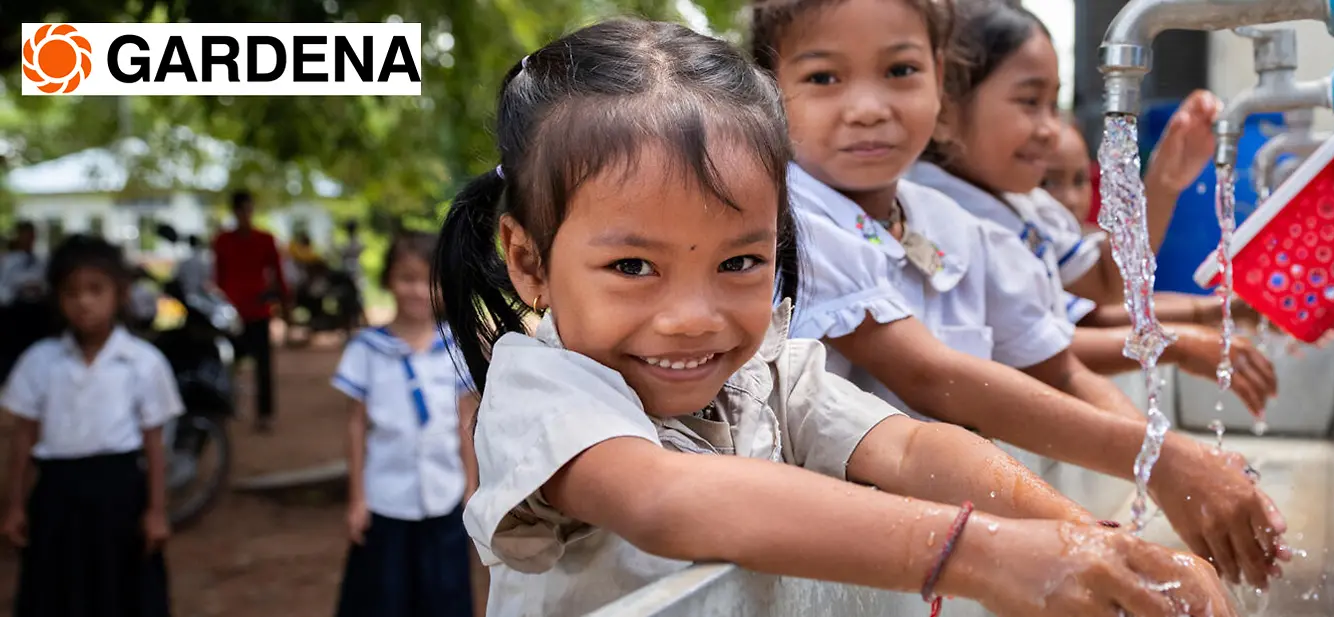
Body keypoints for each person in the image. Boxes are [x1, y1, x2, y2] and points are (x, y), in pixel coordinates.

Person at [437, 18, 1234, 617]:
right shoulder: (543, 389)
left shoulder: (768, 368)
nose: (693, 318)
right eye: (633, 267)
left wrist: (1088, 542)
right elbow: (670, 497)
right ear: (530, 260)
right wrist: (984, 556)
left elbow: (912, 443)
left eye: (739, 262)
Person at [752, 0, 1285, 589]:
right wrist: (1160, 462)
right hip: (832, 553)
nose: (869, 108)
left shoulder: (952, 225)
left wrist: (1167, 469)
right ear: (770, 93)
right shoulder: (788, 215)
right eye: (823, 77)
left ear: (939, 83)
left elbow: (1059, 369)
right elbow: (930, 376)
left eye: (900, 71)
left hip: (942, 531)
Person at [907, 1, 1277, 414]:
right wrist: (1183, 343)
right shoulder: (932, 216)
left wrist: (1164, 182)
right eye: (1030, 101)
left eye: (1053, 103)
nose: (1050, 129)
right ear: (945, 105)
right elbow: (1040, 350)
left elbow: (1104, 284)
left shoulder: (1023, 206)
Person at [1, 235, 180, 617]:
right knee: (58, 596)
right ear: (57, 298)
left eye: (96, 290)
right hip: (57, 498)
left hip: (120, 498)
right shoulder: (40, 362)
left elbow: (154, 444)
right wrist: (15, 504)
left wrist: (156, 510)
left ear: (120, 293)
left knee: (121, 596)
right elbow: (23, 438)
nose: (84, 302)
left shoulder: (143, 362)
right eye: (71, 292)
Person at [333, 232, 477, 617]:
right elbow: (356, 426)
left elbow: (466, 421)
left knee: (443, 597)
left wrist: (472, 488)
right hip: (385, 501)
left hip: (444, 496)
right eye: (406, 278)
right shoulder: (365, 350)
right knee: (383, 597)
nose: (417, 291)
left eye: (428, 282)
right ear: (387, 282)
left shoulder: (455, 349)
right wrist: (357, 499)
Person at [1042, 120, 1263, 330]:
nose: (1071, 199)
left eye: (1080, 180)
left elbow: (1127, 300)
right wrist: (1220, 311)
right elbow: (1095, 320)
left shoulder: (1085, 239)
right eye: (1048, 182)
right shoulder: (1027, 240)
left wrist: (1225, 308)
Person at [213, 191, 289, 433]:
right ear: (235, 212)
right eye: (241, 211)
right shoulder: (222, 242)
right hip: (232, 314)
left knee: (263, 366)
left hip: (258, 311)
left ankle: (265, 415)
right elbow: (218, 277)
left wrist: (284, 302)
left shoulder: (265, 240)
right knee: (226, 364)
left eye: (249, 210)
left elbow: (278, 274)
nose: (246, 215)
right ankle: (223, 410)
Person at [0, 221, 54, 381]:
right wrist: (18, 289)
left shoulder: (41, 260)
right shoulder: (7, 261)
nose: (29, 239)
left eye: (31, 235)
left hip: (36, 312)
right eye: (25, 235)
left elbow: (47, 285)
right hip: (12, 312)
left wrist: (38, 289)